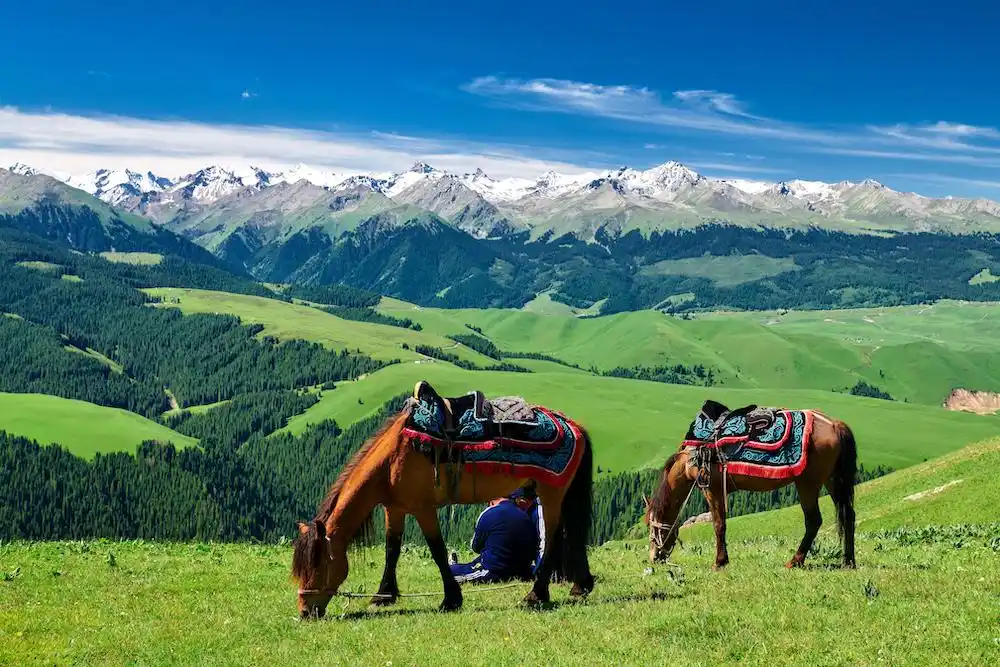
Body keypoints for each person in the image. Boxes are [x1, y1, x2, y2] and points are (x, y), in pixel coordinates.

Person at [449, 485, 544, 584]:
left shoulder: (489, 513)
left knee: (450, 572)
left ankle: (453, 565)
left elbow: (476, 546)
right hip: (522, 572)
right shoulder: (526, 516)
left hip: (494, 571)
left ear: (492, 501)